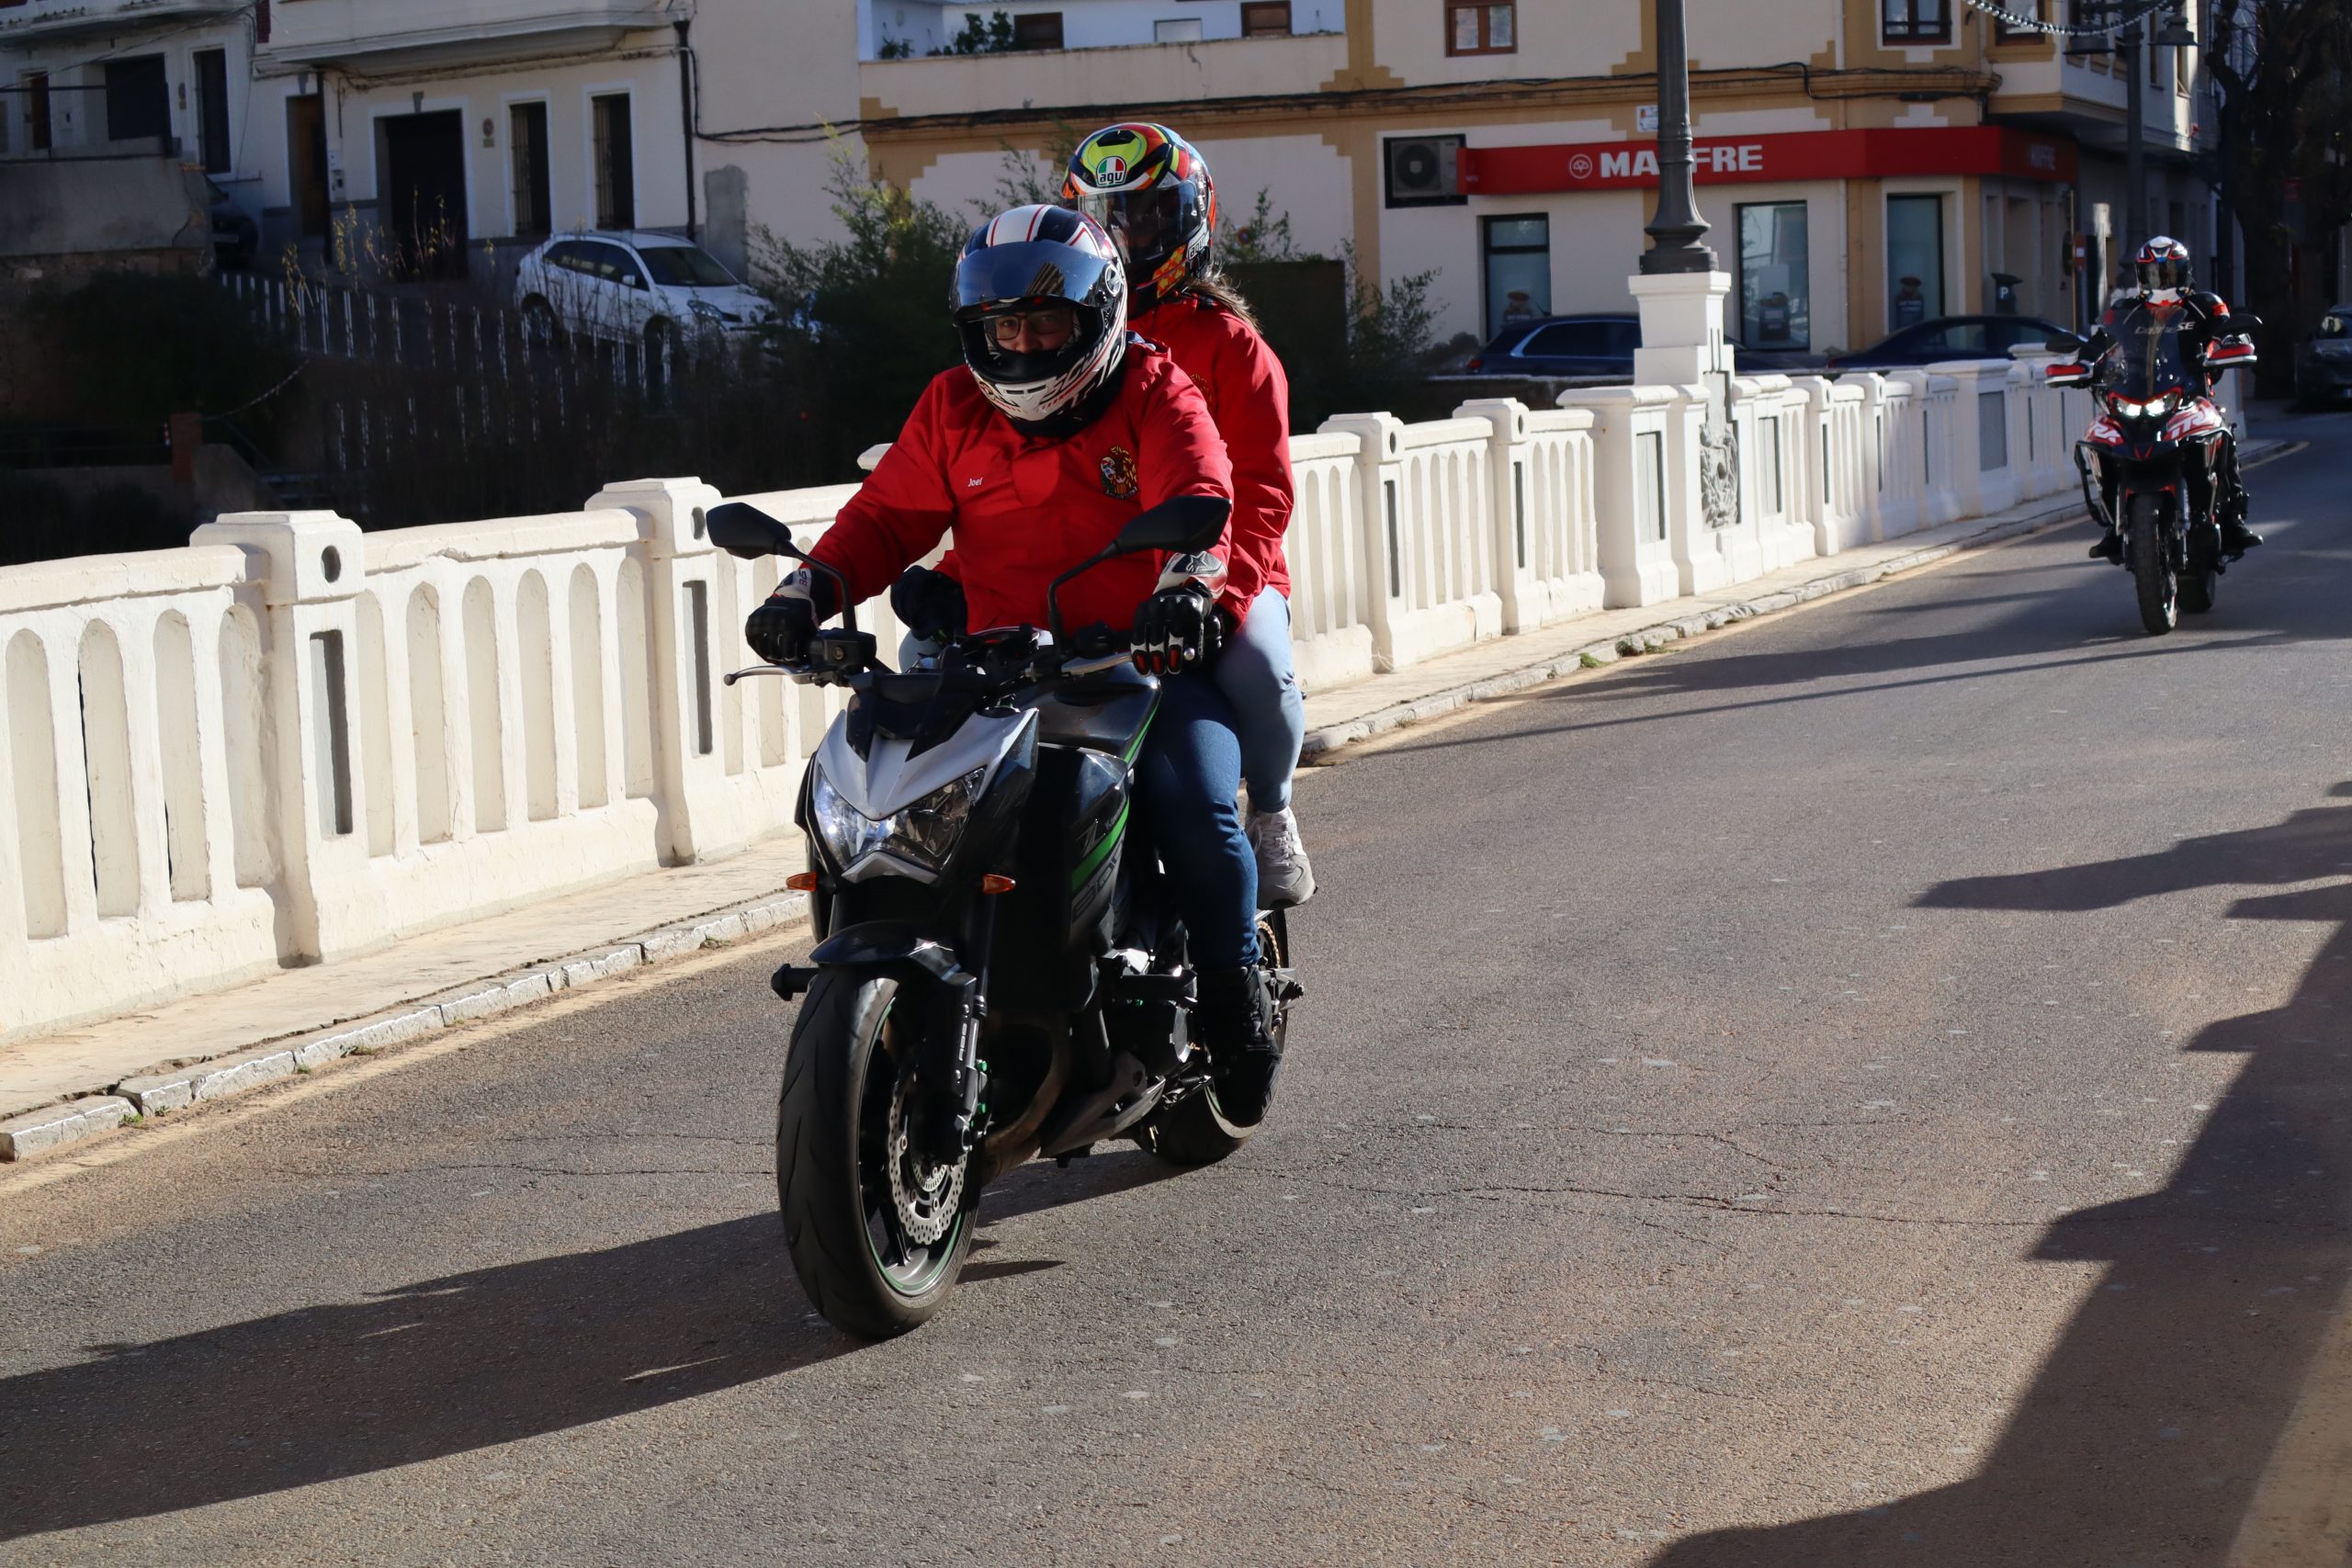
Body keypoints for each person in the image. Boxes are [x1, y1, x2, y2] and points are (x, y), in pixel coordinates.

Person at [745, 204, 1284, 1122]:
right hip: (991, 672)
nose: (1023, 344)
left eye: (1044, 323)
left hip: (1137, 664)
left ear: (1096, 316)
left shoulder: (1157, 389)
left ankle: (1236, 1007)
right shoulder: (952, 405)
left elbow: (1203, 492)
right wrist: (804, 594)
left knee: (1197, 806)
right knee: (912, 811)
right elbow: (886, 518)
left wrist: (1187, 593)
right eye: (1004, 328)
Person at [1059, 120, 1317, 908]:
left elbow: (1263, 493)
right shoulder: (1064, 337)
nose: (1132, 234)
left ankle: (1271, 810)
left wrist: (1222, 600)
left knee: (1260, 670)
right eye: (1111, 216)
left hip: (1223, 570)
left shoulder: (1232, 347)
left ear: (1193, 215)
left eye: (1151, 213)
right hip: (1103, 571)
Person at [2075, 235, 2260, 563]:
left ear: (2185, 271)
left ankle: (2233, 521)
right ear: (2140, 275)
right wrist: (2083, 364)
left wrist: (2230, 343)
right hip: (2135, 398)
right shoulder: (2125, 311)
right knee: (2102, 440)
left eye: (2169, 272)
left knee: (2224, 437)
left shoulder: (2205, 304)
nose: (2161, 280)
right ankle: (2113, 526)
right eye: (2153, 273)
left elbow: (2227, 329)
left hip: (2191, 399)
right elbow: (2099, 343)